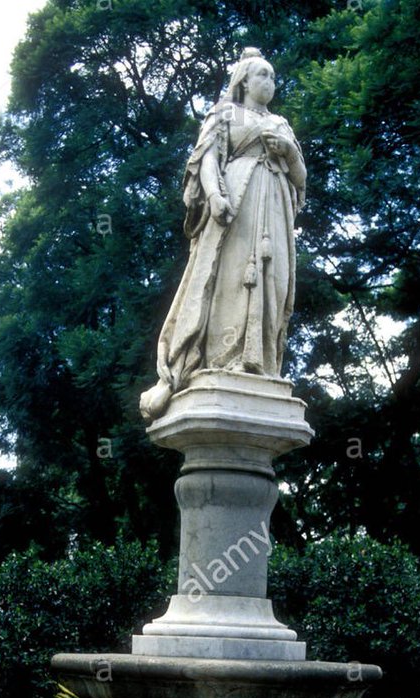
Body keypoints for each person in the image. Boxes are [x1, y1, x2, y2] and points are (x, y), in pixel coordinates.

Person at [140, 48, 307, 420]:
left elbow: (301, 179)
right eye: (262, 75)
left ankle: (259, 363)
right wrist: (215, 195)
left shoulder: (281, 124)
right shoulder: (225, 112)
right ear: (244, 81)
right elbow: (207, 158)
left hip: (275, 208)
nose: (270, 82)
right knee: (231, 278)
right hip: (236, 202)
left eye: (274, 77)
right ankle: (222, 358)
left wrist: (290, 156)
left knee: (272, 281)